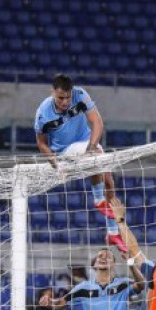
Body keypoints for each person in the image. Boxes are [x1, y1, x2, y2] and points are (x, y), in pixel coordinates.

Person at [34, 73, 126, 253]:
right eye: (61, 98)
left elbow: (97, 122)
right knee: (97, 159)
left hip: (85, 143)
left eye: (68, 97)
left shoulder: (81, 95)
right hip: (64, 150)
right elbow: (42, 143)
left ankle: (113, 232)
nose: (65, 102)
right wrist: (56, 164)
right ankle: (99, 200)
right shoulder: (43, 113)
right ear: (52, 92)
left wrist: (90, 148)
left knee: (109, 181)